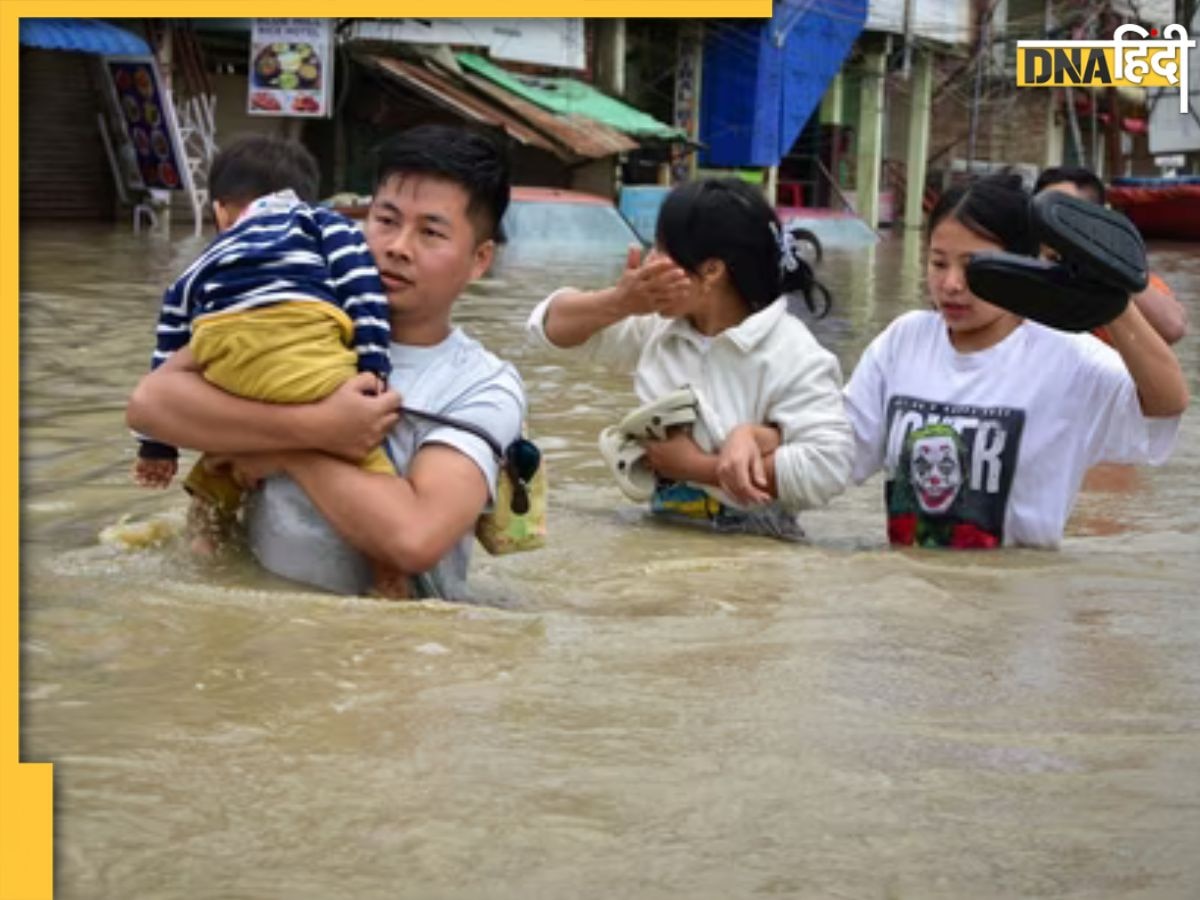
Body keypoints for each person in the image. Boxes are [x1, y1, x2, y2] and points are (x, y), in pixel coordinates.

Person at [127, 124, 525, 599]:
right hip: (255, 635)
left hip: (382, 653)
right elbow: (150, 403)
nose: (398, 246)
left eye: (431, 232)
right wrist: (315, 425)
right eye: (386, 220)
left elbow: (413, 538)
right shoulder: (295, 314)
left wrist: (288, 449)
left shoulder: (481, 387)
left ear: (479, 259)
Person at [843, 173, 1188, 549]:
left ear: (1022, 263)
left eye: (973, 266)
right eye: (939, 264)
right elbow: (837, 450)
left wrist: (1115, 305)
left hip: (1017, 600)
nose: (952, 284)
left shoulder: (1068, 357)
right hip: (910, 593)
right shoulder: (903, 341)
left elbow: (1166, 404)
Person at [130, 134, 402, 586]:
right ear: (304, 194)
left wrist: (156, 446)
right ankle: (390, 577)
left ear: (221, 211)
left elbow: (169, 338)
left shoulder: (207, 258)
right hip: (300, 345)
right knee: (374, 466)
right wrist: (374, 363)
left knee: (223, 448)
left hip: (223, 354)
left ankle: (204, 542)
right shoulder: (321, 221)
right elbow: (360, 285)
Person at [526, 177, 853, 538]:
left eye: (662, 250)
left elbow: (829, 465)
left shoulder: (793, 352)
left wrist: (698, 468)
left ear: (712, 270)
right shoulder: (657, 328)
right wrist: (620, 301)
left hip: (757, 548)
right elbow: (545, 330)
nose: (649, 262)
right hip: (663, 533)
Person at [1034, 165, 1188, 345]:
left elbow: (1173, 327)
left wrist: (1104, 263)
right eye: (1044, 212)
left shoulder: (1125, 277)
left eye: (1064, 214)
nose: (1053, 224)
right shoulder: (1024, 273)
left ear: (1096, 219)